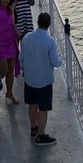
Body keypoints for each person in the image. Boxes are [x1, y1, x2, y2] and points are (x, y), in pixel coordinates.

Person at [19, 12, 62, 146]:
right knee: (43, 108)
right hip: (44, 81)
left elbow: (21, 58)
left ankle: (33, 129)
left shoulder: (26, 37)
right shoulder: (50, 42)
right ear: (49, 25)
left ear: (37, 22)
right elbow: (56, 62)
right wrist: (61, 61)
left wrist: (24, 70)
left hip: (30, 79)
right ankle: (41, 136)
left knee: (32, 105)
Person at [0, 0, 20, 104]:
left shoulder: (8, 10)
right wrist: (12, 10)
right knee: (3, 70)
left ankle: (9, 93)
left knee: (11, 70)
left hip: (10, 41)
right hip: (0, 44)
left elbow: (13, 25)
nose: (5, 1)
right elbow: (10, 22)